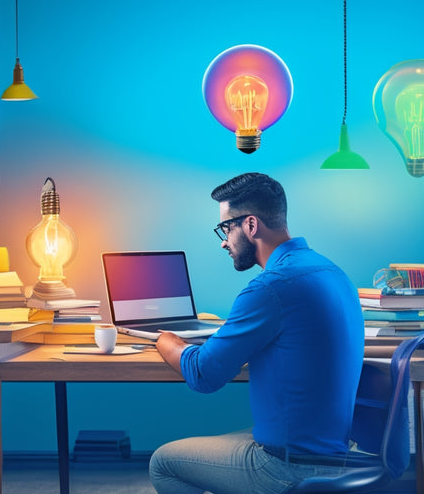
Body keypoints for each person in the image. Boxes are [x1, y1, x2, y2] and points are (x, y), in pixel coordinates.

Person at [149, 172, 365, 494]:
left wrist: (164, 339)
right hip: (340, 453)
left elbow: (203, 374)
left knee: (163, 463)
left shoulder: (269, 287)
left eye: (226, 227)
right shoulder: (331, 271)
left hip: (289, 466)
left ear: (250, 225)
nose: (223, 240)